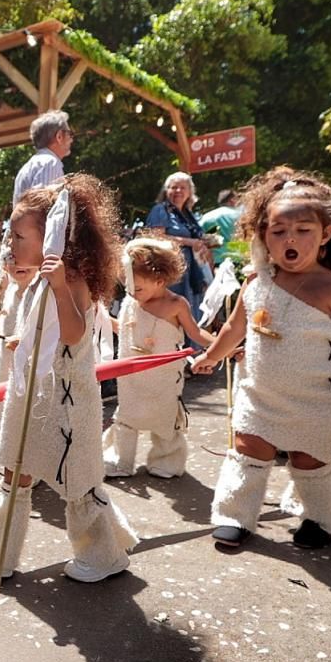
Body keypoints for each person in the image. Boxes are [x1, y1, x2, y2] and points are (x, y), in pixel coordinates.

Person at [0, 175, 139, 584]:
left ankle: (105, 553)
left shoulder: (70, 279)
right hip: (33, 396)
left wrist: (57, 287)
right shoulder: (38, 279)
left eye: (19, 236)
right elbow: (45, 329)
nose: (10, 244)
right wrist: (25, 338)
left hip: (67, 401)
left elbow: (73, 334)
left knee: (76, 481)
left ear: (54, 237)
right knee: (14, 473)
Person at [191, 171, 331, 551]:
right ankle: (235, 515)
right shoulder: (257, 281)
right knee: (247, 451)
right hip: (259, 393)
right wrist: (210, 356)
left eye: (303, 229)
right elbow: (234, 327)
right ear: (263, 235)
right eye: (278, 231)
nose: (290, 239)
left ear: (326, 233)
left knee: (309, 461)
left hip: (312, 398)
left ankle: (318, 519)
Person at [103, 236, 215, 479]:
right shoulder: (132, 303)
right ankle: (121, 460)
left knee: (164, 417)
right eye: (129, 288)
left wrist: (221, 346)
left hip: (163, 378)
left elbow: (195, 333)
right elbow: (122, 328)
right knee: (127, 416)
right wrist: (99, 316)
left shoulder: (176, 304)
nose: (132, 293)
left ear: (160, 280)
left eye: (139, 288)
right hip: (132, 376)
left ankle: (167, 460)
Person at [145, 171, 210, 323]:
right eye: (174, 187)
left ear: (190, 192)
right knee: (173, 315)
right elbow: (156, 237)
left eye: (183, 187)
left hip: (191, 270)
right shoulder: (161, 210)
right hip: (171, 270)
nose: (178, 191)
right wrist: (189, 242)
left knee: (191, 313)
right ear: (166, 191)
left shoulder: (188, 214)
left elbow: (195, 238)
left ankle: (193, 346)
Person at [0, 259, 39, 424]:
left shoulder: (40, 293)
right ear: (5, 266)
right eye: (13, 260)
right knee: (5, 410)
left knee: (24, 410)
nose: (21, 264)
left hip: (28, 361)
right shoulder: (10, 290)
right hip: (6, 357)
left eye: (27, 259)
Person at [12, 110, 72, 203]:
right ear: (59, 136)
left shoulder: (34, 163)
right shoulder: (50, 163)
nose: (71, 139)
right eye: (69, 133)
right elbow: (43, 209)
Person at [199, 188, 241, 266]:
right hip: (240, 260)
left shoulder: (207, 217)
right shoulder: (241, 215)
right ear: (232, 200)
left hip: (217, 262)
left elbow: (205, 242)